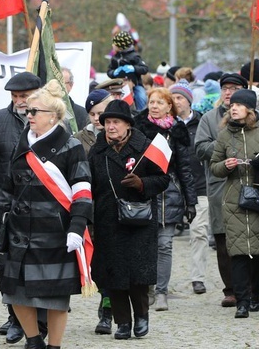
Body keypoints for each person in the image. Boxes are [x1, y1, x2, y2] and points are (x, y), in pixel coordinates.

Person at [0, 79, 92, 349]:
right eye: (28, 111)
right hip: (19, 232)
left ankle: (54, 346)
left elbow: (82, 191)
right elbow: (7, 187)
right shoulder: (22, 144)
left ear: (54, 116)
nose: (29, 115)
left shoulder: (71, 146)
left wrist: (77, 227)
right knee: (15, 293)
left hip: (55, 233)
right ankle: (34, 341)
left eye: (35, 111)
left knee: (56, 298)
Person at [0, 71, 43, 344]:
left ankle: (40, 320)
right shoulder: (0, 120)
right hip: (7, 206)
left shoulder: (52, 120)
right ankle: (15, 316)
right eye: (14, 96)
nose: (19, 101)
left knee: (38, 265)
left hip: (42, 207)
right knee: (7, 266)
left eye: (23, 96)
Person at [89, 100, 170, 340]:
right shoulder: (97, 150)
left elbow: (163, 179)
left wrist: (142, 183)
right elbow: (89, 182)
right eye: (107, 123)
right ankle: (122, 321)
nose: (111, 127)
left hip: (139, 219)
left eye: (115, 122)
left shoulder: (144, 146)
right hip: (107, 219)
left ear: (127, 124)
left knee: (137, 273)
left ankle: (142, 316)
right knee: (114, 274)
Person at [210, 89, 259, 318]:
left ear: (250, 109)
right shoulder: (224, 135)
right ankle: (242, 302)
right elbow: (214, 166)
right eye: (232, 105)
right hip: (234, 200)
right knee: (239, 253)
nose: (233, 108)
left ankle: (255, 296)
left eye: (239, 105)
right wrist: (226, 165)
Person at [134, 87, 197, 311]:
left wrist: (191, 201)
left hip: (169, 193)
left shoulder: (177, 131)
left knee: (165, 244)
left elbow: (184, 168)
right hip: (145, 190)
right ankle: (148, 288)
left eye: (160, 102)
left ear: (169, 106)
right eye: (152, 102)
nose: (155, 106)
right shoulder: (138, 127)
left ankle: (162, 292)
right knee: (146, 245)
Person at [195, 72, 250, 308]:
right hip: (220, 187)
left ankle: (249, 288)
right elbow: (200, 148)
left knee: (249, 238)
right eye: (225, 88)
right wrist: (225, 144)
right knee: (223, 239)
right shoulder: (208, 119)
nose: (228, 92)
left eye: (234, 88)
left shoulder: (256, 120)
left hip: (249, 186)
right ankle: (230, 289)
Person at [72, 88, 113, 334]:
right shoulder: (79, 139)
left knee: (109, 262)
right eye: (92, 114)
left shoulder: (120, 134)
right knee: (95, 261)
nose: (97, 118)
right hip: (89, 208)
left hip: (112, 207)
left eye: (101, 113)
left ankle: (107, 309)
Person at [170, 79, 209, 295]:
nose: (176, 102)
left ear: (188, 101)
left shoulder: (201, 123)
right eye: (173, 98)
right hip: (173, 188)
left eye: (179, 98)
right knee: (165, 238)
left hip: (199, 186)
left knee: (199, 232)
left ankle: (198, 277)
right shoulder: (167, 125)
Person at [107, 31, 148, 110]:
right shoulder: (115, 58)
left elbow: (144, 68)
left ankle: (141, 112)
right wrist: (114, 72)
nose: (112, 45)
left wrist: (133, 68)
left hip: (135, 85)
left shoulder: (135, 56)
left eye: (115, 43)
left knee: (141, 96)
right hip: (117, 86)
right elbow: (109, 71)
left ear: (121, 46)